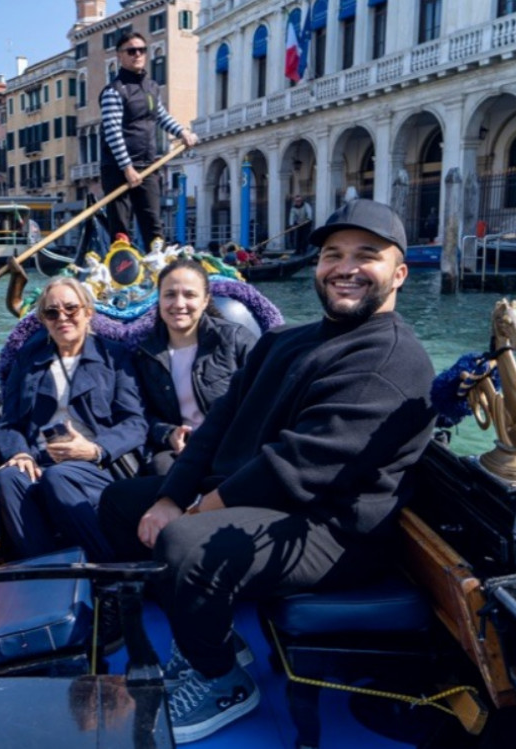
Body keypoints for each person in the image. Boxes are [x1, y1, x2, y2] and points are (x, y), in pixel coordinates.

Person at [98, 199, 436, 743]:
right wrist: (169, 497)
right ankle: (210, 637)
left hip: (335, 529)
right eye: (332, 254)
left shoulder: (394, 358)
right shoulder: (284, 339)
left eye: (365, 255)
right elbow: (218, 424)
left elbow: (299, 467)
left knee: (187, 543)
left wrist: (195, 509)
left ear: (398, 273)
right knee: (120, 504)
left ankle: (220, 678)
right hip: (260, 501)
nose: (344, 267)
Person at [0, 277, 147, 562]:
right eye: (52, 313)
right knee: (8, 477)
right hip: (40, 460)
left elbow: (135, 423)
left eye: (71, 309)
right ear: (43, 319)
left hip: (98, 464)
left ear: (88, 312)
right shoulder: (27, 359)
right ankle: (45, 569)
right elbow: (9, 421)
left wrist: (95, 450)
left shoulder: (115, 357)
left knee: (59, 476)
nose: (62, 317)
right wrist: (19, 453)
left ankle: (105, 567)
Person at [134, 258, 258, 476]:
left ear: (205, 301)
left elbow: (263, 400)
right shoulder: (145, 354)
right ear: (159, 300)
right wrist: (169, 433)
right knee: (162, 470)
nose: (179, 304)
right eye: (170, 295)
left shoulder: (236, 339)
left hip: (233, 445)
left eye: (189, 295)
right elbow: (143, 414)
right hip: (182, 451)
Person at [100, 32, 197, 254]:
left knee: (153, 223)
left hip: (147, 166)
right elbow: (113, 132)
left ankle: (159, 271)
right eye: (131, 51)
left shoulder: (151, 87)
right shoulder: (113, 91)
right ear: (119, 56)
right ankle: (121, 274)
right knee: (121, 228)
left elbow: (161, 116)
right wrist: (127, 168)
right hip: (117, 168)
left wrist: (182, 132)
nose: (137, 55)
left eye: (141, 50)